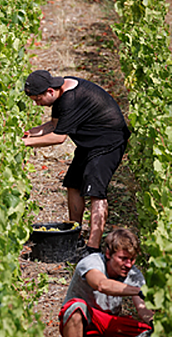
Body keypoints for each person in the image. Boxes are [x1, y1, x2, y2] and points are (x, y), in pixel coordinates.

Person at [22, 70, 131, 258]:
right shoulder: (60, 92)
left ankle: (92, 247)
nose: (36, 104)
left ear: (49, 91)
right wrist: (29, 133)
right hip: (90, 143)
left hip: (108, 143)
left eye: (37, 99)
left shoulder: (69, 99)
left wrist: (24, 143)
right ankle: (75, 235)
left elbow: (58, 137)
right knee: (73, 183)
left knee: (95, 192)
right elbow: (54, 125)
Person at [59, 228, 153, 337]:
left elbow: (142, 309)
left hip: (109, 325)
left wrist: (153, 322)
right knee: (76, 307)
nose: (129, 264)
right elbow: (102, 285)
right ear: (108, 254)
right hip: (86, 323)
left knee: (151, 335)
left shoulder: (134, 275)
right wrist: (139, 291)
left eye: (132, 259)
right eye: (123, 258)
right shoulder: (92, 262)